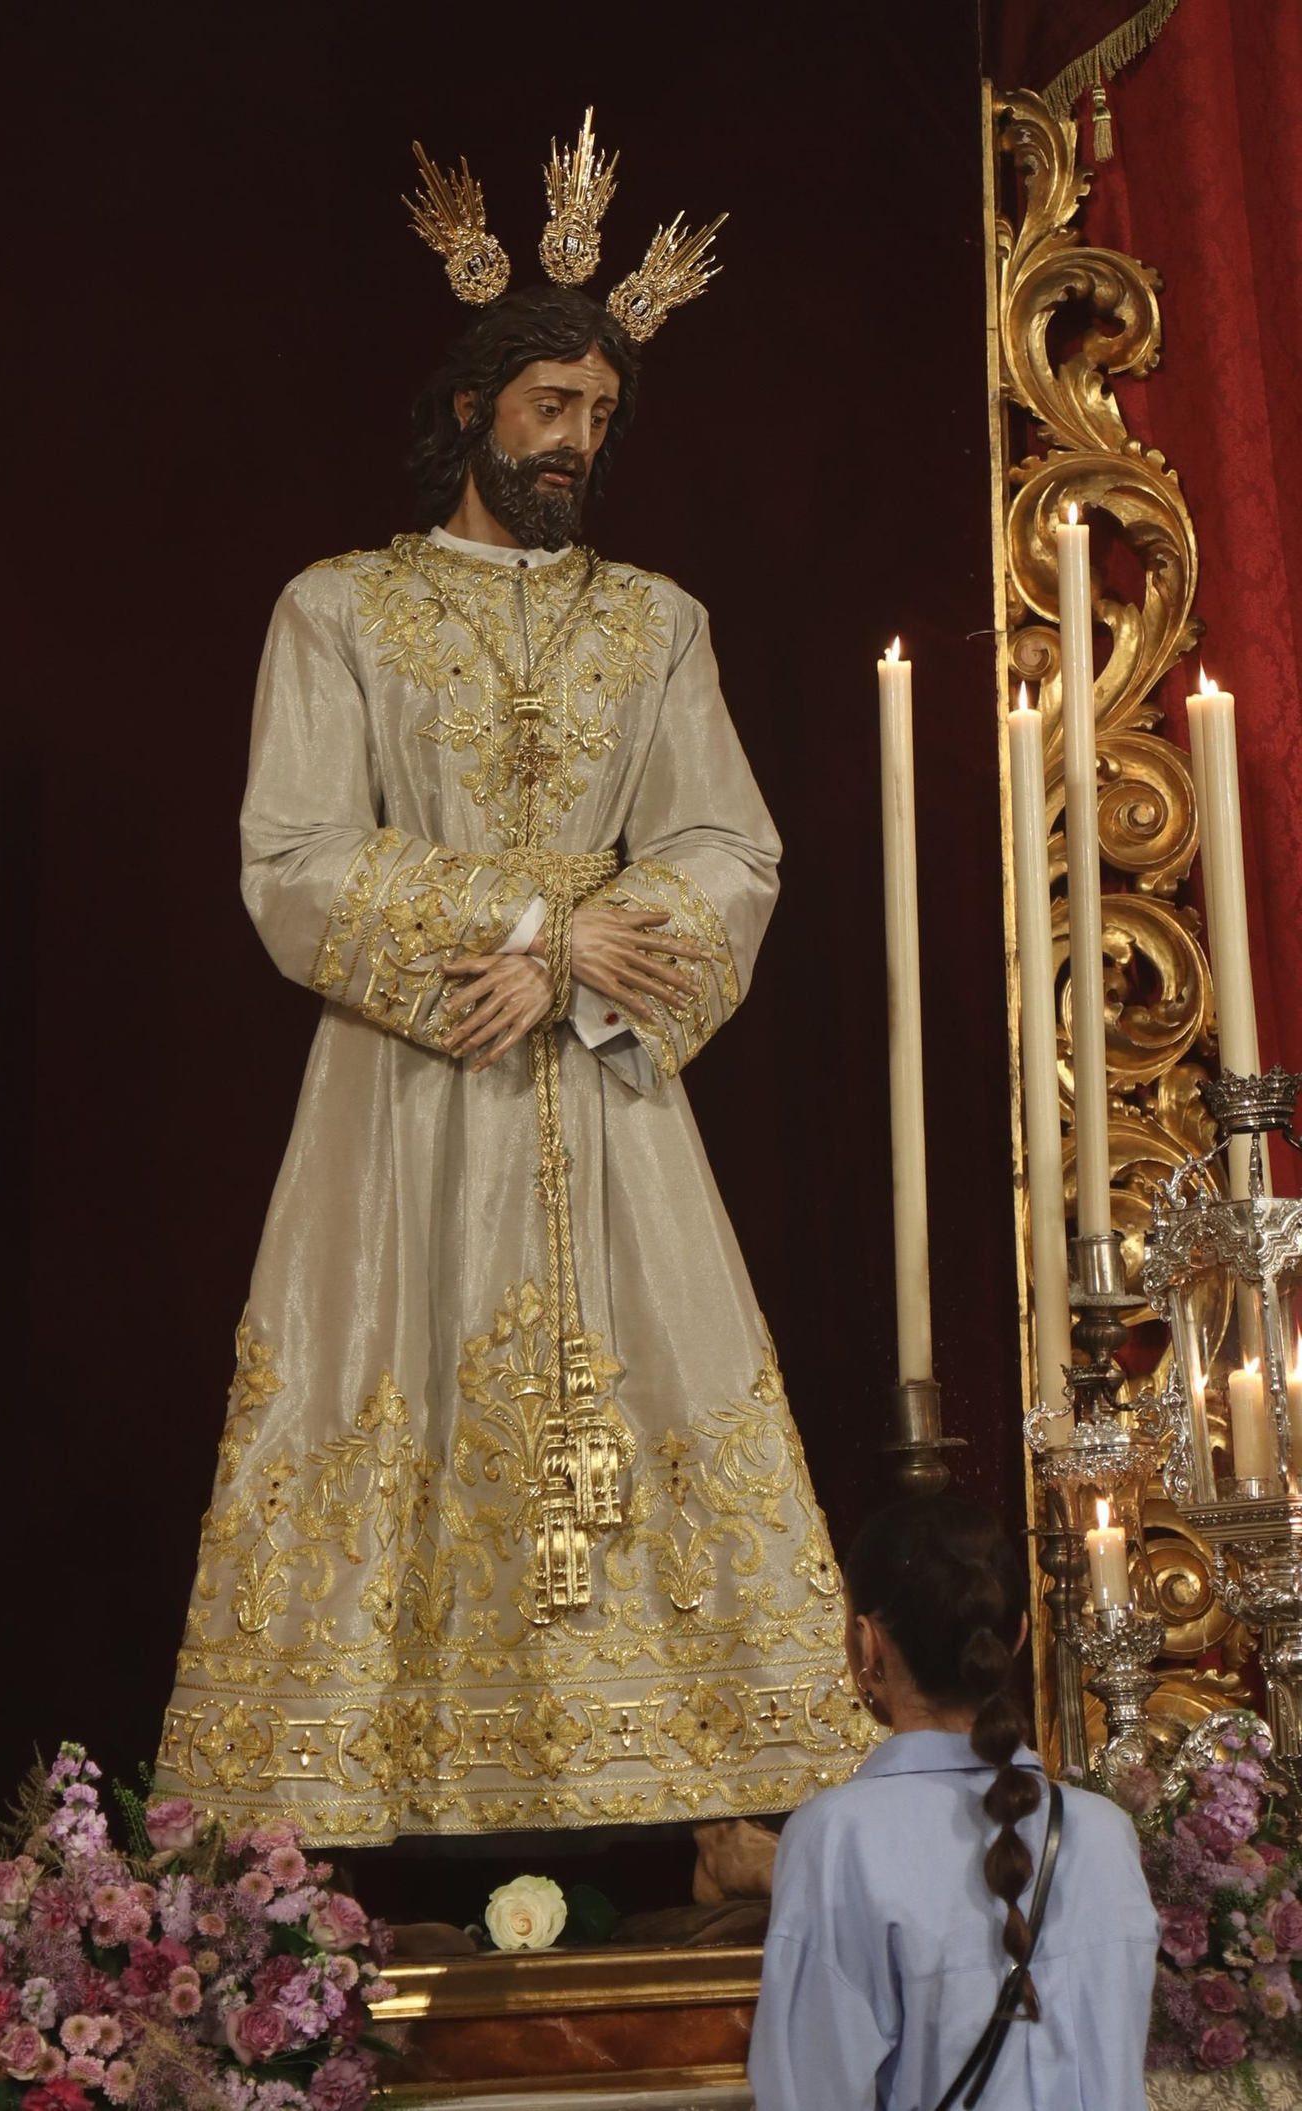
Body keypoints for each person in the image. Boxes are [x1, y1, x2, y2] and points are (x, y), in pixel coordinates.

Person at [158, 115, 875, 1847]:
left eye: (602, 415)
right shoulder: (338, 610)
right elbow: (296, 855)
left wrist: (581, 976)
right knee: (372, 1381)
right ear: (474, 407)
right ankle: (332, 1810)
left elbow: (731, 850)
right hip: (412, 1085)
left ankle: (709, 1790)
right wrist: (539, 932)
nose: (578, 440)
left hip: (605, 1079)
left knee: (655, 1387)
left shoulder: (660, 623)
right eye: (552, 406)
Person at [748, 1494, 1160, 2109]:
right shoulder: (1105, 1830)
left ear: (867, 1644)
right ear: (1019, 1635)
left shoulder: (838, 1837)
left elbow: (807, 2090)